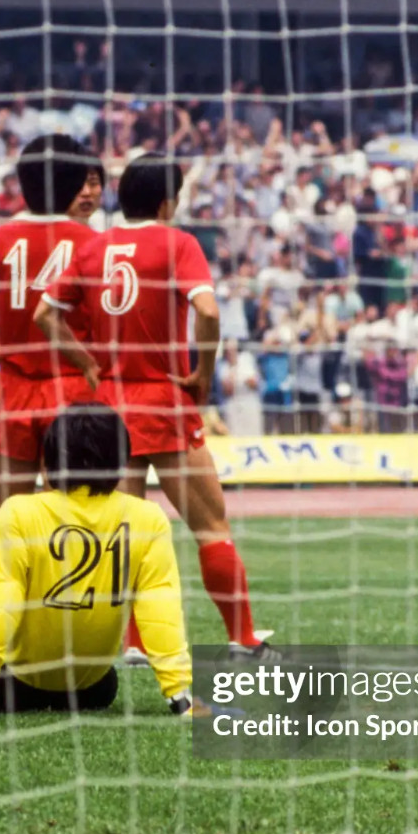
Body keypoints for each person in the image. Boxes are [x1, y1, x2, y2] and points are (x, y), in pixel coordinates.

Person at [35, 155, 270, 658]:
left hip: (107, 409)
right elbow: (206, 311)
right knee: (210, 527)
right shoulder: (178, 243)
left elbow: (44, 316)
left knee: (127, 530)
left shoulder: (92, 249)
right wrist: (202, 375)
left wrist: (87, 362)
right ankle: (243, 638)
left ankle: (135, 643)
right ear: (167, 202)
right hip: (163, 400)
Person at [0, 405, 194, 720]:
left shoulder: (19, 511)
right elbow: (161, 611)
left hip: (4, 686)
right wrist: (182, 696)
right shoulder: (149, 517)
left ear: (48, 463)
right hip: (94, 690)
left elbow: (1, 603)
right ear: (121, 464)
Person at [0, 134, 104, 507]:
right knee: (74, 515)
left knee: (9, 516)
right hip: (74, 391)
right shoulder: (95, 244)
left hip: (13, 389)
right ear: (75, 184)